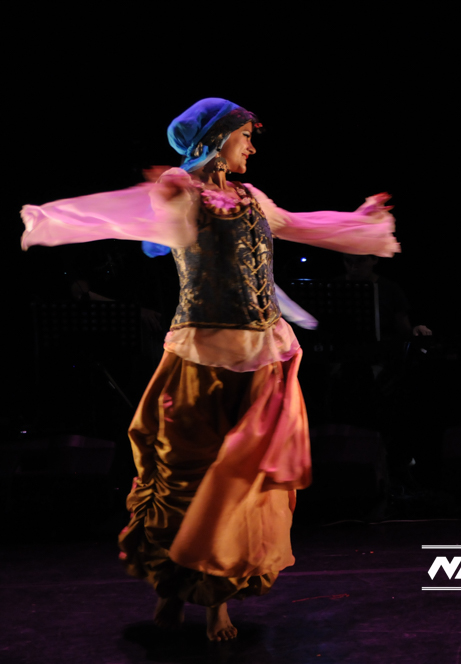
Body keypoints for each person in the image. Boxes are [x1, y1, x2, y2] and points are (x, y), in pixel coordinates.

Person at [20, 98, 400, 641]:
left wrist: (359, 221)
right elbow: (135, 224)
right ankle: (171, 591)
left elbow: (297, 225)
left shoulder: (251, 197)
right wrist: (58, 217)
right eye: (245, 136)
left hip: (261, 357)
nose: (252, 147)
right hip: (201, 356)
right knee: (187, 478)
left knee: (241, 483)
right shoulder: (181, 189)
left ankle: (217, 597)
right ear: (218, 140)